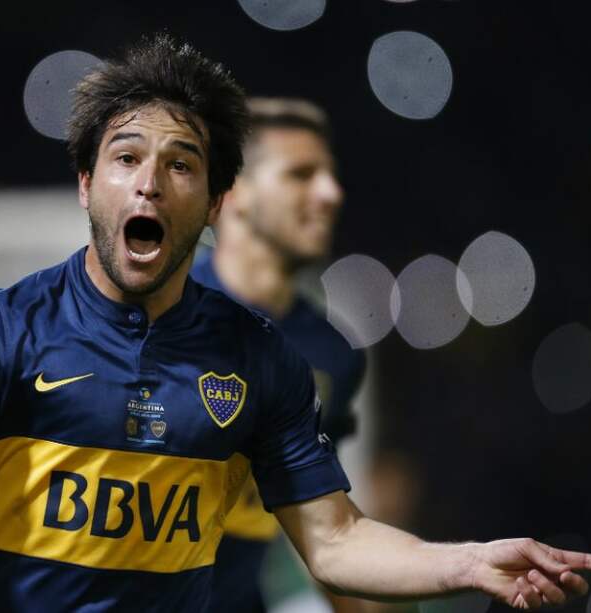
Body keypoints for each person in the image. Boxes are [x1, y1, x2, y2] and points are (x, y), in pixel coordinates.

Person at [0, 33, 591, 613]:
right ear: (86, 186)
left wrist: (464, 562)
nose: (150, 182)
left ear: (212, 207)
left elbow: (337, 538)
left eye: (182, 164)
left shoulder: (258, 358)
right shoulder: (4, 329)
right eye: (125, 157)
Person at [190, 98, 366, 612]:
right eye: (301, 174)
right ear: (236, 190)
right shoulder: (160, 313)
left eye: (330, 176)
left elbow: (320, 524)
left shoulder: (333, 356)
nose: (331, 194)